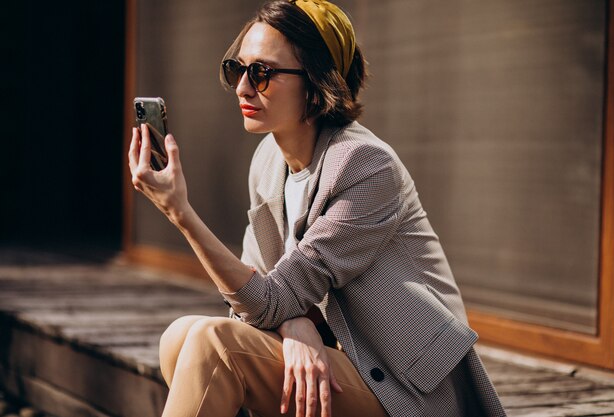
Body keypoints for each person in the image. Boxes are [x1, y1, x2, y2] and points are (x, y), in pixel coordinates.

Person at [128, 1, 506, 416]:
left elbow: (265, 299)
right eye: (238, 69)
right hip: (338, 362)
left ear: (315, 82)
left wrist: (180, 214)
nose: (242, 88)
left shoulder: (365, 165)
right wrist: (296, 323)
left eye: (262, 73)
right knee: (180, 336)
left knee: (212, 344)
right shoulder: (268, 161)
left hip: (402, 391)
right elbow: (254, 295)